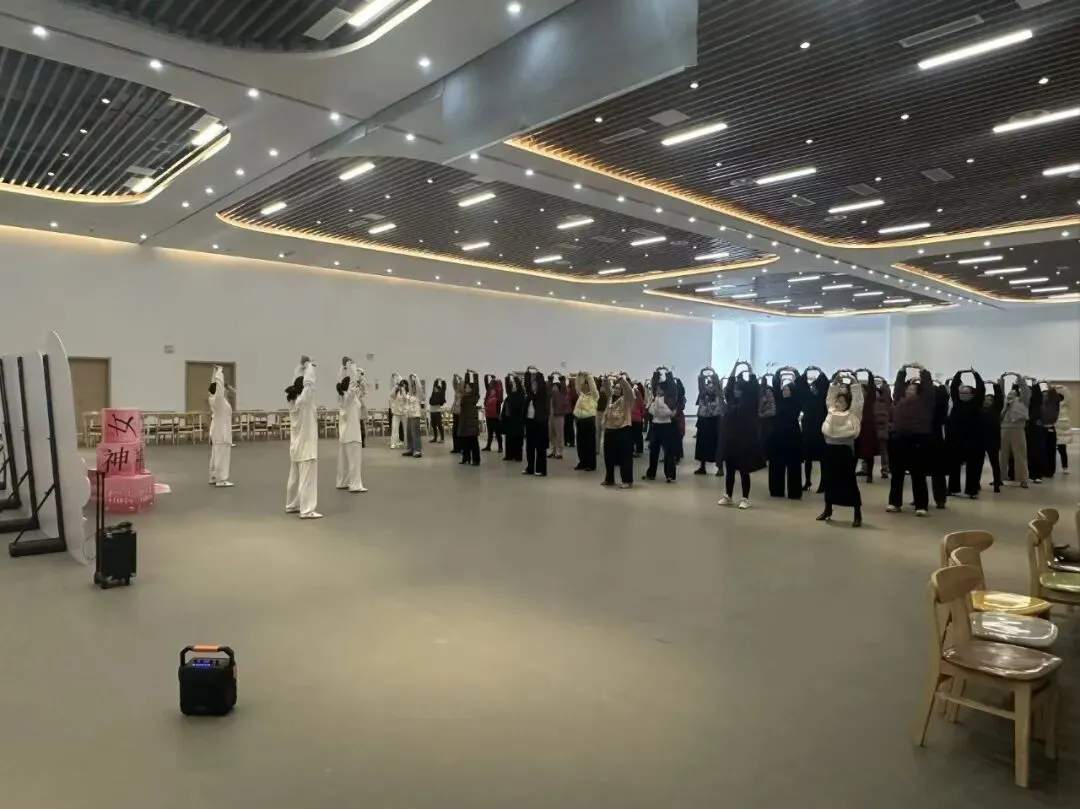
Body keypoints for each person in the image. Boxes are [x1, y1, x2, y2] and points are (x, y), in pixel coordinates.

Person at [886, 363, 934, 515]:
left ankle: (921, 506)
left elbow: (929, 389)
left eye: (912, 389)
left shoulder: (924, 402)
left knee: (918, 474)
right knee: (897, 473)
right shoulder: (899, 400)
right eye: (908, 389)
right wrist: (902, 371)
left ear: (918, 392)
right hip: (899, 438)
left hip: (918, 439)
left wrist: (923, 371)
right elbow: (898, 388)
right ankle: (895, 503)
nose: (909, 391)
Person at [818, 370, 864, 527]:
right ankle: (828, 509)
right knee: (829, 481)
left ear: (848, 404)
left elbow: (858, 400)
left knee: (849, 482)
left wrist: (854, 382)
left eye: (841, 402)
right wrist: (835, 383)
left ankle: (857, 513)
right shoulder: (831, 411)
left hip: (844, 451)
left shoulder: (853, 414)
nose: (837, 404)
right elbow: (829, 397)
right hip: (829, 449)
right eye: (837, 401)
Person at [718, 361, 764, 509]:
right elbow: (729, 386)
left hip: (745, 442)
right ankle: (728, 495)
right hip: (731, 441)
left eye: (739, 389)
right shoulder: (731, 400)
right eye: (735, 389)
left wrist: (750, 369)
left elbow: (754, 386)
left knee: (744, 471)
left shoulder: (750, 401)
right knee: (730, 470)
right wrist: (735, 368)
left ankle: (745, 498)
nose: (736, 391)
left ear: (743, 390)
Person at [285, 362, 321, 519]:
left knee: (294, 478)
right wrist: (310, 366)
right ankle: (307, 509)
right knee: (307, 479)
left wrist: (300, 368)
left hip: (296, 447)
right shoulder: (305, 402)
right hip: (307, 447)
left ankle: (292, 504)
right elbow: (309, 385)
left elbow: (298, 383)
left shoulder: (293, 402)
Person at [946, 369, 986, 499]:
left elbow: (981, 389)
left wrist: (976, 375)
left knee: (973, 467)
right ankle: (953, 488)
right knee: (954, 465)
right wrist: (958, 374)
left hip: (973, 441)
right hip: (957, 440)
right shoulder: (957, 402)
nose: (963, 393)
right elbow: (953, 388)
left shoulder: (976, 403)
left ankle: (972, 490)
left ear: (972, 393)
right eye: (962, 392)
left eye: (967, 391)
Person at [767, 367, 803, 499]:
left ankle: (794, 492)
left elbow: (800, 386)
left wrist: (795, 372)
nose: (785, 391)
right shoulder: (778, 399)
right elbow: (776, 383)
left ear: (792, 392)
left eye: (787, 390)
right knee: (776, 464)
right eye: (784, 389)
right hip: (777, 436)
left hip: (792, 436)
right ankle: (776, 491)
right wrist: (780, 371)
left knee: (794, 466)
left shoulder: (796, 403)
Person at [335, 360, 367, 493]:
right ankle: (355, 485)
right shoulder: (350, 396)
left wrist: (343, 368)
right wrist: (352, 366)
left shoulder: (342, 397)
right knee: (354, 461)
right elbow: (353, 383)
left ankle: (342, 482)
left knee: (343, 462)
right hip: (353, 434)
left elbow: (341, 382)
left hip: (344, 434)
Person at [600, 373, 636, 488]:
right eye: (615, 388)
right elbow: (607, 389)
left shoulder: (628, 399)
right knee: (608, 456)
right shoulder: (611, 397)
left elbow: (628, 390)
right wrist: (605, 379)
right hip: (610, 429)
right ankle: (609, 479)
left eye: (618, 388)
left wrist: (621, 379)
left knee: (624, 457)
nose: (616, 390)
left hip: (623, 430)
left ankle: (627, 481)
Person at [644, 367, 679, 482]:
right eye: (657, 388)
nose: (657, 389)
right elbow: (654, 384)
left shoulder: (669, 397)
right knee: (653, 450)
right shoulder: (655, 397)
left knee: (668, 451)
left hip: (666, 426)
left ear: (664, 389)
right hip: (656, 426)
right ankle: (651, 473)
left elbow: (672, 386)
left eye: (659, 388)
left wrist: (668, 372)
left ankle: (669, 474)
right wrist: (656, 372)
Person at [798, 365, 829, 492]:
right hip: (808, 429)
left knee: (822, 458)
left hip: (820, 429)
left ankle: (823, 483)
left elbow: (825, 383)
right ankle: (807, 481)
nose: (813, 388)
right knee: (808, 457)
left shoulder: (823, 397)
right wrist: (806, 372)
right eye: (812, 387)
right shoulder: (807, 398)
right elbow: (801, 384)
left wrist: (820, 371)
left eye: (815, 387)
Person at [999, 372, 1030, 488]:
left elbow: (1026, 392)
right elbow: (1000, 392)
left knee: (1020, 455)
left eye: (1012, 394)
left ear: (1017, 395)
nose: (1010, 396)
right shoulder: (1004, 403)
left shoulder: (1022, 401)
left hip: (1017, 429)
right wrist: (1001, 380)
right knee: (1002, 455)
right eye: (1009, 394)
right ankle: (1000, 477)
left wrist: (1020, 380)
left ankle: (1023, 479)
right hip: (1003, 429)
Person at [207, 365, 234, 487]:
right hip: (221, 432)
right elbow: (218, 387)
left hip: (218, 430)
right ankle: (221, 479)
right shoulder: (218, 400)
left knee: (216, 455)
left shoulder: (215, 400)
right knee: (221, 456)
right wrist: (219, 373)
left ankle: (213, 476)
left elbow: (214, 386)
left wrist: (214, 375)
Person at [693, 367, 723, 475]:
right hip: (704, 419)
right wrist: (702, 373)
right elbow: (701, 384)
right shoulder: (703, 392)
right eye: (708, 386)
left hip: (715, 419)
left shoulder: (718, 392)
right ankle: (702, 467)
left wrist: (713, 373)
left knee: (717, 444)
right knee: (702, 444)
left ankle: (720, 468)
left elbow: (717, 385)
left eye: (712, 386)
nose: (710, 389)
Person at [852, 370, 878, 483]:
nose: (861, 392)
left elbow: (872, 389)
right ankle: (851, 474)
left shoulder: (870, 400)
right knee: (855, 453)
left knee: (869, 453)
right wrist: (854, 376)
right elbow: (853, 388)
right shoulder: (855, 401)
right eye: (860, 391)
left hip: (868, 429)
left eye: (863, 390)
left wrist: (869, 374)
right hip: (856, 428)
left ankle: (869, 475)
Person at [522, 367, 549, 476]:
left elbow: (541, 381)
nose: (533, 385)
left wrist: (537, 373)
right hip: (530, 422)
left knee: (540, 448)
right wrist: (527, 372)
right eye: (532, 384)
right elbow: (526, 384)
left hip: (540, 423)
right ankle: (530, 468)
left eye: (535, 383)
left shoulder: (542, 394)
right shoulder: (530, 394)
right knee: (530, 447)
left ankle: (541, 469)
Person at [980, 381, 1004, 492]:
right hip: (980, 440)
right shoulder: (979, 409)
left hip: (993, 440)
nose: (987, 401)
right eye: (985, 399)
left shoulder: (996, 409)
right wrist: (981, 385)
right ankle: (975, 484)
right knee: (978, 464)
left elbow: (999, 398)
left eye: (990, 400)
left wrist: (995, 385)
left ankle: (997, 484)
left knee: (994, 463)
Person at [573, 371, 598, 471]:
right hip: (580, 420)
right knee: (580, 443)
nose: (584, 387)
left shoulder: (594, 396)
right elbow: (577, 386)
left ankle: (591, 464)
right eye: (584, 385)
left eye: (586, 385)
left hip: (589, 420)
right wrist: (578, 376)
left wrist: (588, 377)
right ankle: (582, 462)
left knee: (589, 444)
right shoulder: (581, 395)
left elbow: (593, 387)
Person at [457, 371, 481, 465]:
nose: (466, 388)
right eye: (466, 387)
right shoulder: (464, 397)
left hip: (471, 422)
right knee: (465, 441)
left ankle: (476, 460)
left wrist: (475, 375)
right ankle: (466, 458)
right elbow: (465, 384)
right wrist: (467, 374)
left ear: (472, 389)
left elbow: (476, 386)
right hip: (464, 421)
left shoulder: (474, 396)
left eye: (468, 387)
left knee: (473, 441)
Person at [1025, 378, 1046, 484]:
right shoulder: (1024, 404)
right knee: (1027, 453)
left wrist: (1035, 384)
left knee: (1036, 452)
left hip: (1036, 429)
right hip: (1025, 429)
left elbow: (1038, 395)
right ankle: (1030, 474)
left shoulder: (1036, 404)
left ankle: (1038, 475)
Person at [502, 373, 526, 462]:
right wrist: (507, 378)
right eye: (513, 386)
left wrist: (516, 378)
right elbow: (508, 387)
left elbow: (520, 387)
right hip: (510, 420)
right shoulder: (510, 395)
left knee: (517, 439)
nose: (514, 387)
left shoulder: (521, 395)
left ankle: (517, 456)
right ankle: (509, 455)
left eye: (515, 386)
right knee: (509, 439)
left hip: (518, 420)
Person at [1040, 382, 1062, 479]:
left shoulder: (1053, 404)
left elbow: (1056, 398)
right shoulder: (1040, 405)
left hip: (1050, 428)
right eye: (1043, 396)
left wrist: (1051, 388)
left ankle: (1050, 471)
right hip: (1041, 429)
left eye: (1046, 396)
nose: (1044, 397)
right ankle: (1042, 469)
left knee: (1050, 450)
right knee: (1042, 450)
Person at [548, 374, 569, 459]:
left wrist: (562, 379)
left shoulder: (562, 394)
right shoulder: (550, 395)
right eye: (553, 386)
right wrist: (550, 380)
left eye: (556, 387)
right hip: (550, 416)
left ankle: (559, 452)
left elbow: (564, 388)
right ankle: (552, 451)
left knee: (559, 434)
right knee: (551, 434)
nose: (554, 388)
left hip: (559, 415)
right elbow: (547, 388)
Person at [403, 374, 423, 458]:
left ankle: (417, 450)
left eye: (414, 387)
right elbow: (409, 387)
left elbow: (419, 388)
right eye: (412, 387)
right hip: (409, 415)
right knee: (409, 433)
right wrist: (410, 378)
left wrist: (415, 377)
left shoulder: (418, 396)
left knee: (415, 433)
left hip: (415, 415)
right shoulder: (409, 395)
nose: (413, 388)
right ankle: (410, 449)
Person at [483, 374, 504, 453]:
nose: (492, 391)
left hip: (495, 417)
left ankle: (500, 447)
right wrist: (486, 376)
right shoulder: (489, 395)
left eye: (493, 390)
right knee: (490, 433)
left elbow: (500, 389)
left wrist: (496, 380)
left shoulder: (498, 397)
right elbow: (486, 384)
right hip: (489, 416)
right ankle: (488, 446)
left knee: (498, 433)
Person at [1054, 385, 1070, 474]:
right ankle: (1049, 468)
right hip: (1053, 431)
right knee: (1051, 451)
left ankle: (1065, 467)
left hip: (1062, 433)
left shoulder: (1064, 406)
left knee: (1062, 450)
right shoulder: (1052, 406)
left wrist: (1061, 387)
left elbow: (1067, 397)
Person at [388, 372, 405, 450]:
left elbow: (405, 398)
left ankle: (406, 442)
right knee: (394, 428)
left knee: (405, 428)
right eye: (398, 384)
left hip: (404, 413)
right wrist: (395, 387)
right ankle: (394, 443)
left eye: (399, 384)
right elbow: (391, 395)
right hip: (396, 413)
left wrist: (402, 388)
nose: (398, 385)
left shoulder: (404, 390)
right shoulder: (395, 390)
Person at [428, 378, 446, 443]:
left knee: (439, 425)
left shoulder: (440, 395)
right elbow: (434, 386)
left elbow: (444, 389)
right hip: (432, 412)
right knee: (433, 425)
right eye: (434, 389)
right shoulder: (433, 394)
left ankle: (442, 439)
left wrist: (443, 381)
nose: (434, 389)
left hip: (437, 412)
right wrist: (436, 381)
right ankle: (435, 438)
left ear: (438, 390)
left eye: (435, 389)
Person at [631, 381, 646, 457]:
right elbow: (642, 407)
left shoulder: (632, 395)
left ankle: (633, 450)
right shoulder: (639, 395)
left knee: (632, 436)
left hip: (633, 418)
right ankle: (639, 450)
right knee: (638, 435)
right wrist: (642, 417)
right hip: (638, 419)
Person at [449, 373, 463, 454]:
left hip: (460, 413)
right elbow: (454, 385)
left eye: (459, 384)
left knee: (460, 431)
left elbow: (462, 384)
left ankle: (461, 447)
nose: (458, 385)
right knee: (455, 431)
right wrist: (454, 378)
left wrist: (460, 379)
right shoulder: (457, 391)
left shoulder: (463, 393)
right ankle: (456, 448)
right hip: (455, 412)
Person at [565, 377, 578, 449]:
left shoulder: (572, 390)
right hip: (570, 410)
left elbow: (573, 399)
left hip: (570, 411)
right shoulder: (573, 389)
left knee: (569, 426)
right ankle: (569, 441)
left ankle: (570, 441)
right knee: (569, 426)